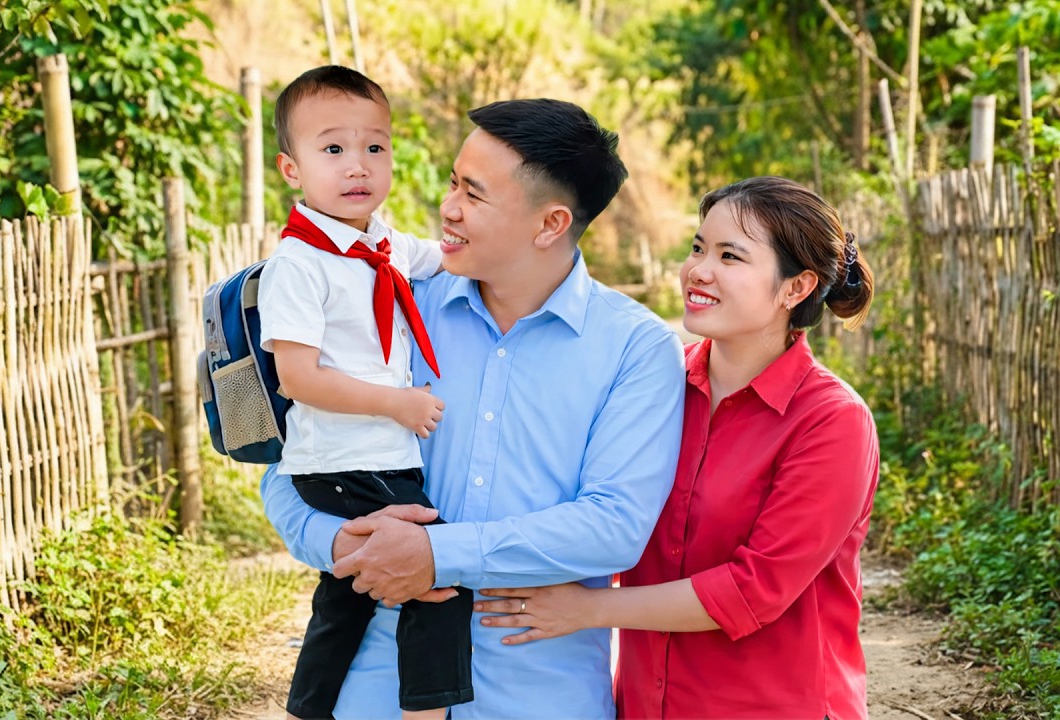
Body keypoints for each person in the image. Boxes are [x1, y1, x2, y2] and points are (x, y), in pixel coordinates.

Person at [261, 97, 688, 720]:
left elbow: (614, 526)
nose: (448, 207)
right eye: (452, 183)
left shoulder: (636, 348)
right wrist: (340, 543)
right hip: (376, 684)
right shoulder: (393, 302)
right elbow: (289, 468)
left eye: (474, 193)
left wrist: (438, 555)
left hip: (538, 694)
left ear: (550, 224)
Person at [476, 176, 881, 720]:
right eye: (698, 248)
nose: (698, 271)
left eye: (730, 256)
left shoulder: (832, 421)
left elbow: (755, 589)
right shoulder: (654, 383)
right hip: (645, 704)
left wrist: (588, 609)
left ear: (796, 288)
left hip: (775, 705)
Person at [257, 65, 466, 720]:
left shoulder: (384, 244)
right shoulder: (298, 264)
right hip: (344, 460)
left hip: (375, 457)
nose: (358, 165)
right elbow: (297, 377)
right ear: (292, 170)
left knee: (344, 597)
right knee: (438, 574)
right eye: (333, 148)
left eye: (375, 146)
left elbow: (449, 258)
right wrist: (397, 404)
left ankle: (308, 709)